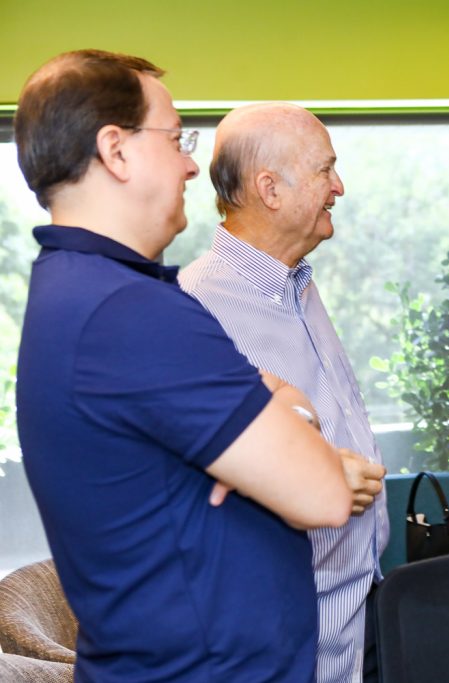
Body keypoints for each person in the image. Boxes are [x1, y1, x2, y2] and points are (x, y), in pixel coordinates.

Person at [14, 50, 354, 682]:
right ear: (116, 150)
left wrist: (280, 416)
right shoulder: (129, 313)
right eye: (175, 138)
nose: (193, 163)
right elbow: (326, 493)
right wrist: (284, 417)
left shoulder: (82, 289)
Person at [178, 102, 388, 683]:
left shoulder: (298, 283)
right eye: (326, 170)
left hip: (355, 612)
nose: (339, 187)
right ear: (269, 189)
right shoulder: (195, 308)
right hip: (276, 634)